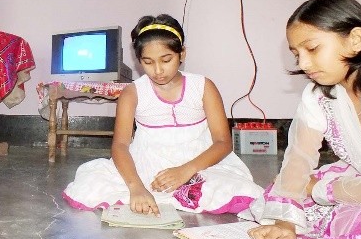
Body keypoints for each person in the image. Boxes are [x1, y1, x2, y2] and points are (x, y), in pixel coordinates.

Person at [63, 14, 263, 214]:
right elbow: (120, 146)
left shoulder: (203, 87)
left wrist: (185, 171)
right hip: (147, 165)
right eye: (148, 62)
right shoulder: (132, 93)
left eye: (166, 60)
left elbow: (223, 142)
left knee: (235, 189)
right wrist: (136, 187)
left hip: (200, 163)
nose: (158, 70)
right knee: (91, 183)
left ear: (182, 54)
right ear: (139, 61)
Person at [243, 0, 361, 239]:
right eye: (296, 54)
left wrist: (321, 189)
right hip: (360, 178)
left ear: (356, 40)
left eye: (312, 49)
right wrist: (285, 223)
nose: (303, 64)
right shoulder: (318, 95)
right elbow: (298, 158)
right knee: (280, 194)